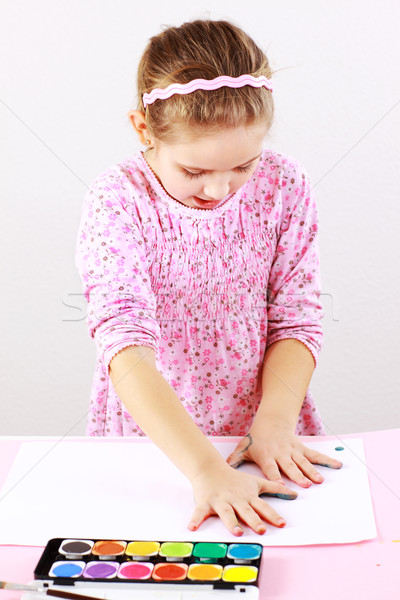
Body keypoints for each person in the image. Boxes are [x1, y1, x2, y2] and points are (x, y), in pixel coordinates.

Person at [76, 19, 342, 536]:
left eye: (243, 165)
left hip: (264, 422)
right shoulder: (118, 200)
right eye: (194, 172)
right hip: (156, 441)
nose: (218, 189)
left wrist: (275, 421)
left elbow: (296, 319)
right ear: (142, 129)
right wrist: (203, 469)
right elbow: (123, 345)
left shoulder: (284, 183)